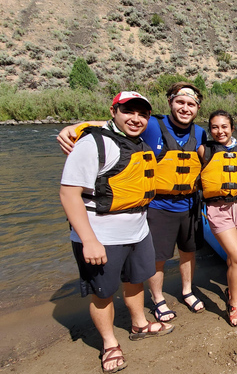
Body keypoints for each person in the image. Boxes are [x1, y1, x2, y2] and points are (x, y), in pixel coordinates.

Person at [57, 83, 207, 323]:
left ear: (197, 108)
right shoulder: (152, 126)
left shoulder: (200, 133)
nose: (185, 108)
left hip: (188, 206)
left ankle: (187, 291)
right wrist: (74, 128)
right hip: (158, 206)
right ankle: (158, 298)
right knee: (158, 257)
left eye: (191, 104)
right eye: (180, 102)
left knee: (188, 252)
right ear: (170, 102)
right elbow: (114, 125)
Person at [59, 91, 174, 374]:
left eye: (142, 114)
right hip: (101, 236)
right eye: (128, 111)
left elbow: (124, 129)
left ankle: (139, 324)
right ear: (114, 111)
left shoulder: (138, 142)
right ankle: (110, 343)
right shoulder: (92, 143)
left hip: (137, 230)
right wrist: (89, 241)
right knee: (104, 293)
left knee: (135, 280)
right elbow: (68, 193)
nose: (136, 119)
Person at [199, 110, 237, 327]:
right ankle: (234, 303)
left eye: (224, 126)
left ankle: (231, 289)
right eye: (214, 127)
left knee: (233, 259)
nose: (219, 131)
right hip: (217, 210)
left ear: (232, 128)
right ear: (209, 129)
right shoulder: (204, 150)